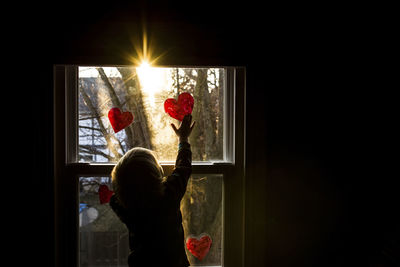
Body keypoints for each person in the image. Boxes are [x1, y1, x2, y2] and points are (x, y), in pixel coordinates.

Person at [110, 114, 195, 267]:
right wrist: (183, 140)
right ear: (156, 174)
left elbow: (114, 198)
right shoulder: (168, 196)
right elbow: (183, 168)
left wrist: (123, 183)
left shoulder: (126, 208)